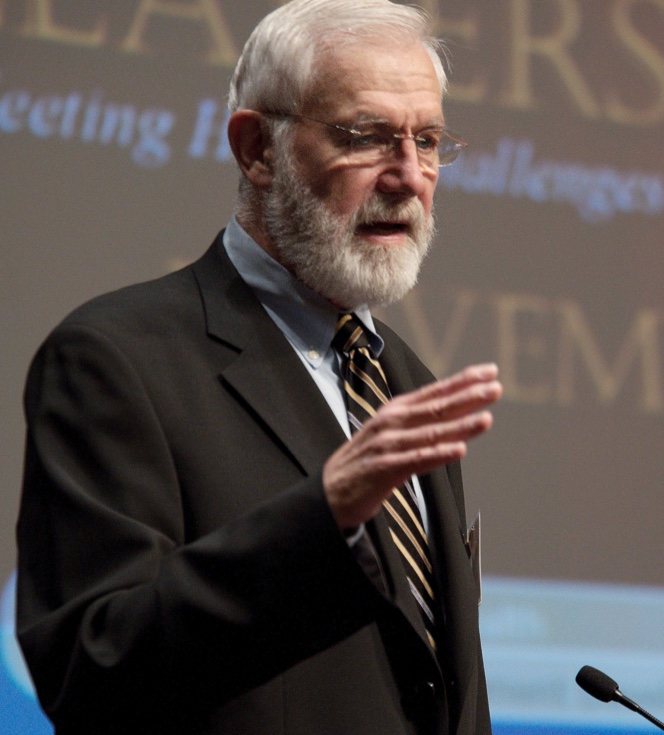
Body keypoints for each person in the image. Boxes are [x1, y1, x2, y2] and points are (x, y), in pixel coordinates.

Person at [16, 1, 502, 733]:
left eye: (427, 140)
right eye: (367, 137)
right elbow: (93, 666)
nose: (407, 176)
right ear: (257, 149)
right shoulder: (115, 359)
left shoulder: (406, 380)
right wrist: (322, 516)